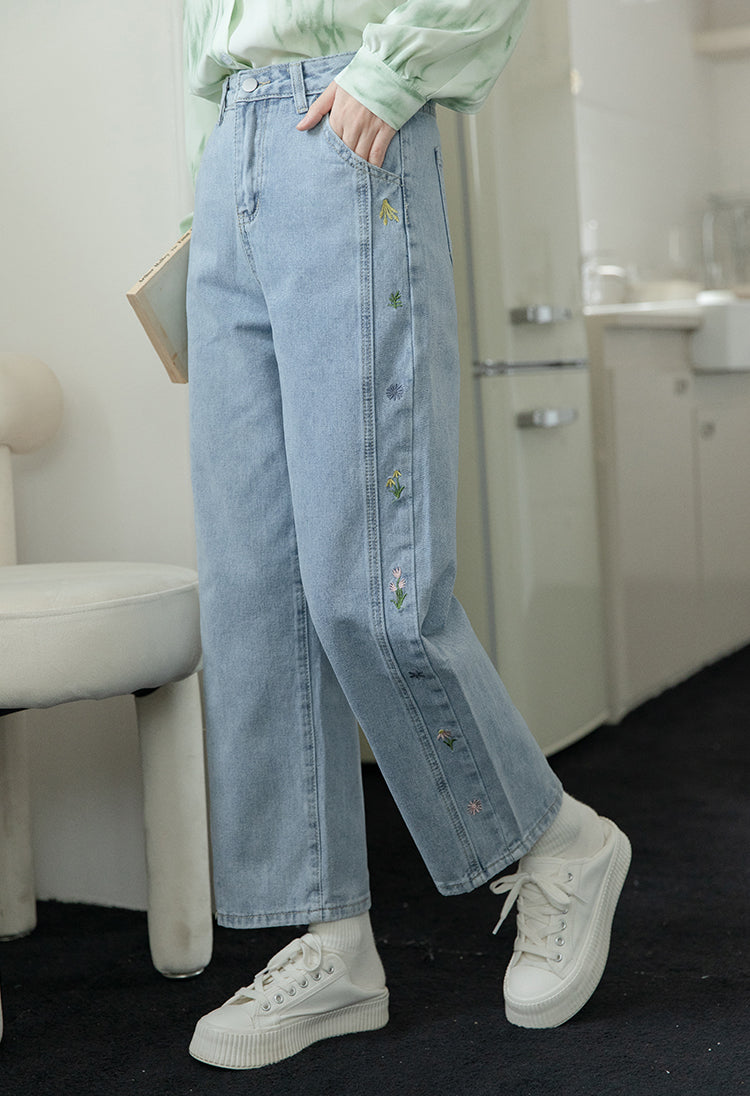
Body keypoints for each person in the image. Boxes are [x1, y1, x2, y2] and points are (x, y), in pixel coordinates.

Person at [183, 0, 631, 1071]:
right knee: (254, 588)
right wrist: (215, 163)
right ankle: (331, 941)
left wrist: (387, 78)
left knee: (367, 580)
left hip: (343, 126)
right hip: (230, 149)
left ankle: (558, 840)